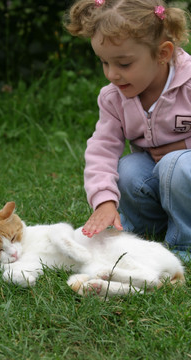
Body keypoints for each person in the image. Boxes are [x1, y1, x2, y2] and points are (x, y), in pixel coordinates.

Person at [65, 0, 191, 254]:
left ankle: (183, 243)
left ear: (162, 54)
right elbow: (102, 150)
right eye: (104, 62)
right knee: (129, 167)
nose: (112, 74)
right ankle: (146, 232)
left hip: (184, 173)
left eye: (123, 64)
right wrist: (105, 201)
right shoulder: (114, 97)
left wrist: (182, 146)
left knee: (174, 164)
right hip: (159, 178)